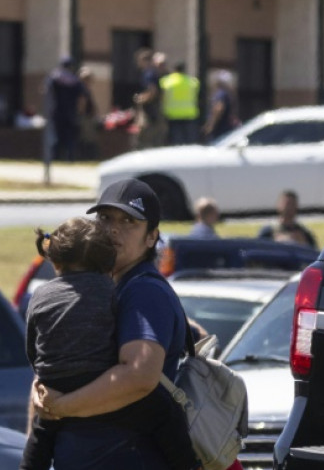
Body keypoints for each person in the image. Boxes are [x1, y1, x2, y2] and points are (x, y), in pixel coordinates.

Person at [33, 179, 207, 470]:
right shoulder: (97, 286)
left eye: (129, 221)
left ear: (151, 237)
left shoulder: (143, 291)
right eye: (104, 218)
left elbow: (139, 375)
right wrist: (42, 392)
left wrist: (60, 407)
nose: (113, 229)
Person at [44, 57, 88, 162]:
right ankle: (70, 158)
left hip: (56, 111)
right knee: (70, 137)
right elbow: (82, 97)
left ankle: (55, 157)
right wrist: (80, 111)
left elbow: (45, 92)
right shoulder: (75, 81)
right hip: (71, 112)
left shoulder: (54, 79)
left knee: (56, 135)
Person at [133, 48, 167, 149]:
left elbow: (153, 91)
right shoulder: (154, 72)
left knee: (144, 136)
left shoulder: (148, 73)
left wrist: (141, 99)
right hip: (156, 109)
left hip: (150, 110)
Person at [160, 62, 200, 145]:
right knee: (190, 141)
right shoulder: (192, 81)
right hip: (189, 114)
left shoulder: (167, 81)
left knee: (176, 141)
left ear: (174, 70)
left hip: (173, 114)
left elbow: (163, 97)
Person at [203, 70, 240, 142]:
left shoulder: (221, 93)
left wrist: (211, 124)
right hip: (225, 127)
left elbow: (218, 108)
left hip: (220, 129)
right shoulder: (227, 94)